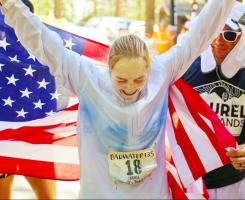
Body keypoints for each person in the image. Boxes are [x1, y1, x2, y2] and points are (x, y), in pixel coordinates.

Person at [0, 0, 236, 198]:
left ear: (149, 69)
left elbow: (200, 33)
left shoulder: (161, 73)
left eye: (139, 79)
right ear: (108, 69)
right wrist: (11, 4)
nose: (130, 88)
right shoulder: (87, 78)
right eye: (121, 80)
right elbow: (42, 41)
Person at [0, 0, 65, 199]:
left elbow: (60, 93)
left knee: (46, 196)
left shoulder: (45, 49)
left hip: (34, 134)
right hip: (8, 133)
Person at [182, 2, 245, 199]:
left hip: (236, 183)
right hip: (193, 182)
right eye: (214, 32)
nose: (219, 40)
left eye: (229, 34)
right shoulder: (184, 68)